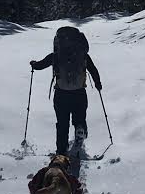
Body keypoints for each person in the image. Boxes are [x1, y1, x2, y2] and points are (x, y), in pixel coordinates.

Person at [30, 25, 102, 156]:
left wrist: (34, 64)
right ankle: (80, 130)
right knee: (79, 118)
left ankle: (61, 151)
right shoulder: (83, 55)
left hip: (61, 95)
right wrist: (98, 84)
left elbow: (40, 65)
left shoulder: (56, 56)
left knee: (62, 124)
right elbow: (93, 70)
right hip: (79, 93)